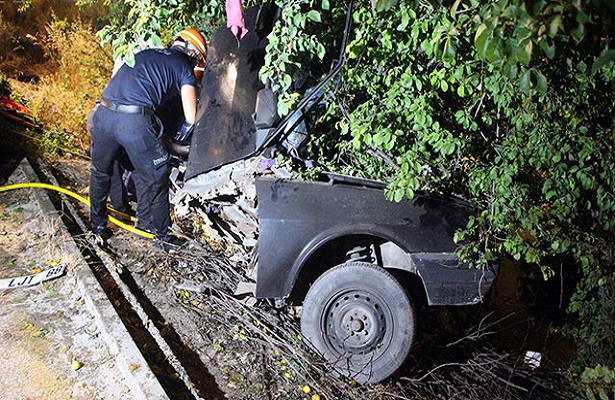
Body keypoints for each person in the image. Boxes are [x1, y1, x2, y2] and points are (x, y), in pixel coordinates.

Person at [88, 28, 207, 252]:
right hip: (132, 122)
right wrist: (208, 107)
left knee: (100, 172)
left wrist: (171, 144)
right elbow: (192, 117)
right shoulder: (183, 68)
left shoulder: (147, 54)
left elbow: (150, 117)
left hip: (102, 114)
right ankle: (163, 237)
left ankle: (97, 227)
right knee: (157, 175)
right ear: (194, 55)